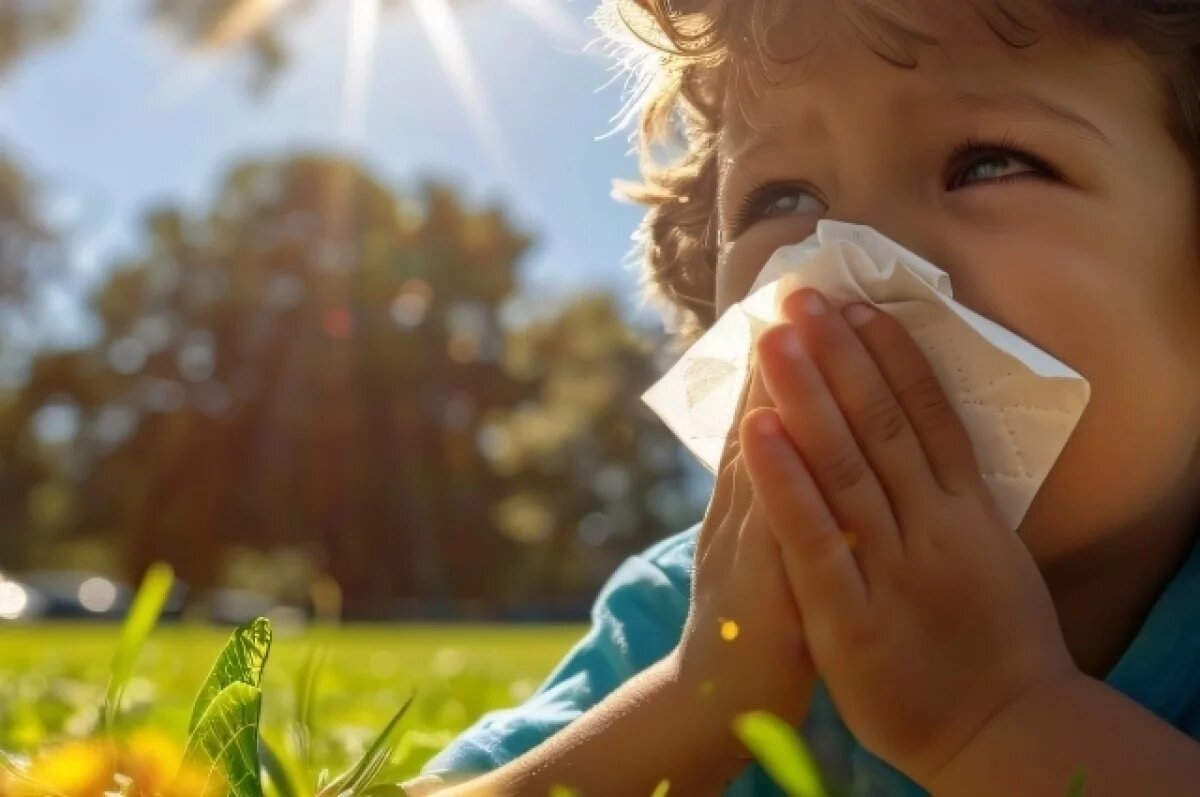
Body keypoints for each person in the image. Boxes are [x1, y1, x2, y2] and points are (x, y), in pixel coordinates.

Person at [403, 1, 1200, 794]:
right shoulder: (699, 608)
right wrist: (695, 700)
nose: (857, 257)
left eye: (986, 165)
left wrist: (1003, 721)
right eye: (780, 200)